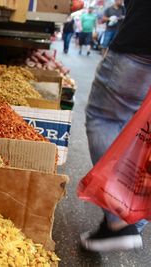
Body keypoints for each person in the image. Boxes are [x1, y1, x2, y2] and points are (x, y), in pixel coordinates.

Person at [81, 0, 151, 252]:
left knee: (105, 118)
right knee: (142, 132)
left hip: (142, 43)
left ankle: (120, 220)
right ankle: (136, 213)